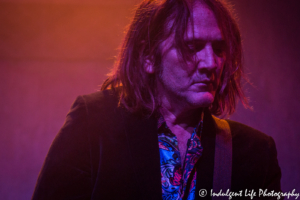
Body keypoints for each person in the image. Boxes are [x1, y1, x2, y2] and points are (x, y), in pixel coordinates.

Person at [32, 0, 282, 199]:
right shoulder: (94, 123)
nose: (211, 63)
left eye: (218, 49)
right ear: (148, 56)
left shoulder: (254, 153)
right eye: (192, 47)